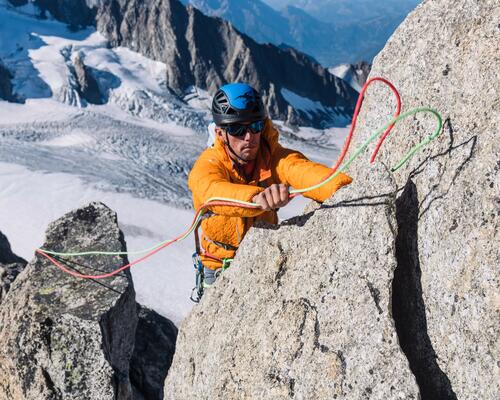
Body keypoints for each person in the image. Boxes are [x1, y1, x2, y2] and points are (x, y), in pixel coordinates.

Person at [188, 82, 352, 291]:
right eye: (238, 129)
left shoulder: (273, 157)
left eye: (255, 126)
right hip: (219, 268)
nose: (249, 137)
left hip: (263, 262)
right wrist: (256, 198)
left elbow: (300, 170)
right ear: (220, 133)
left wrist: (344, 188)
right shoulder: (209, 164)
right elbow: (210, 191)